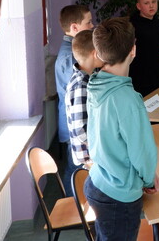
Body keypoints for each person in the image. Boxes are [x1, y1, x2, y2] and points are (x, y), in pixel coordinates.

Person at [84, 18, 159, 241]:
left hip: (97, 181)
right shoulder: (128, 99)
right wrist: (149, 180)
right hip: (118, 195)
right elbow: (142, 153)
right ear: (133, 50)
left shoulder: (96, 83)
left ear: (99, 53)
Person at [55, 5, 93, 165]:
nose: (92, 26)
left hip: (78, 125)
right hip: (75, 129)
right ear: (74, 27)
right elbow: (78, 94)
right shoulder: (70, 58)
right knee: (76, 172)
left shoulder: (74, 51)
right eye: (88, 22)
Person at [64, 29, 99, 194]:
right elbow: (82, 131)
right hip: (87, 158)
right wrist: (103, 146)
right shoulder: (80, 86)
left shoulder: (88, 78)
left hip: (89, 156)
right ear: (95, 53)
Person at [129, 0, 159, 96]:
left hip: (158, 77)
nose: (151, 6)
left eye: (154, 2)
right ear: (138, 6)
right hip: (140, 79)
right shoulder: (131, 26)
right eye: (146, 3)